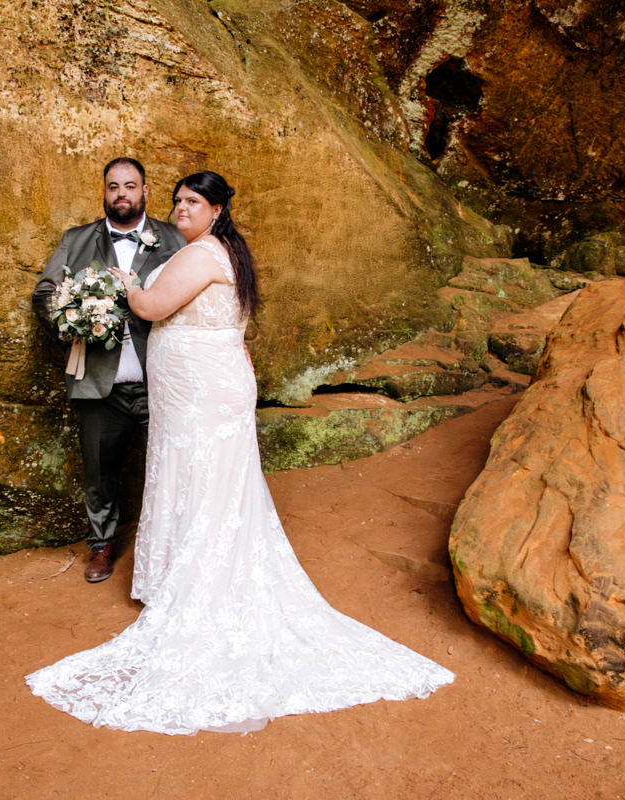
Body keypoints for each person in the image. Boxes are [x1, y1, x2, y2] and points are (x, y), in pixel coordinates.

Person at [26, 171, 454, 734]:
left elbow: (151, 307)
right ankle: (181, 572)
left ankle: (200, 583)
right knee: (201, 479)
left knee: (203, 480)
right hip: (197, 388)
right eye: (178, 200)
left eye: (192, 202)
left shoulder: (203, 254)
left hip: (201, 392)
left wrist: (118, 285)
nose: (181, 209)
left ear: (218, 208)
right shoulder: (219, 250)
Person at [31, 158, 185, 582]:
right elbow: (45, 292)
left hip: (163, 383)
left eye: (130, 186)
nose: (122, 194)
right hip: (99, 383)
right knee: (100, 472)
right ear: (103, 191)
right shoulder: (76, 240)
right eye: (113, 186)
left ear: (145, 191)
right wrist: (67, 326)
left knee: (173, 469)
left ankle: (173, 549)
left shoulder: (174, 239)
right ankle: (101, 546)